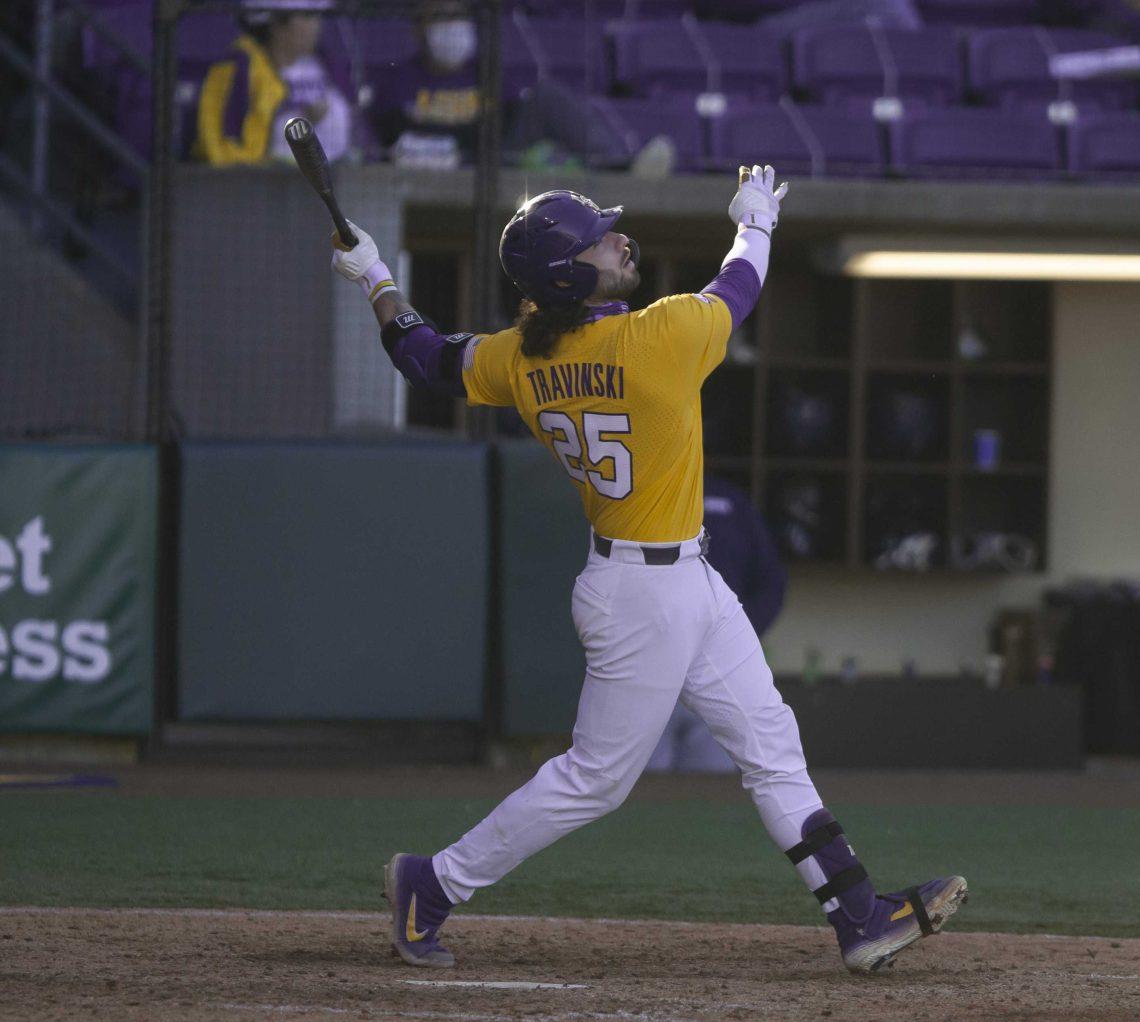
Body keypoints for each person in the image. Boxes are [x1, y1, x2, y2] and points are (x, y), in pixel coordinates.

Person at [329, 166, 968, 975]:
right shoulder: (658, 337)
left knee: (771, 743)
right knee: (595, 779)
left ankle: (857, 912)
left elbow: (423, 356)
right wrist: (757, 215)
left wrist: (377, 275)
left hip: (680, 579)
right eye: (600, 239)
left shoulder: (521, 360)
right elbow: (740, 280)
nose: (619, 240)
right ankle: (433, 882)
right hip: (642, 596)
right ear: (569, 273)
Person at [646, 472, 787, 773]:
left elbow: (771, 582)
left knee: (712, 787)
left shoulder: (732, 503)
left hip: (718, 668)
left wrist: (739, 634)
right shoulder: (646, 500)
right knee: (637, 786)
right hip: (654, 663)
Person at [195, 0, 355, 167]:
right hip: (264, 184)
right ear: (276, 25)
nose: (316, 26)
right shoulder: (241, 68)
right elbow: (224, 149)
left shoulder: (326, 65)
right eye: (308, 16)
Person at [370, 0, 481, 169]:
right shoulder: (397, 82)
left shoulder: (488, 78)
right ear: (418, 29)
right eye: (441, 16)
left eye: (459, 16)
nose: (452, 25)